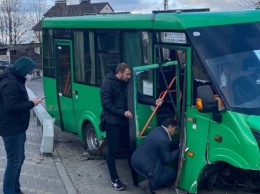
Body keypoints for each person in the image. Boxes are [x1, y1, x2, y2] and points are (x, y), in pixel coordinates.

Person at [100, 63, 163, 191]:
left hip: (124, 122)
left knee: (130, 149)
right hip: (112, 123)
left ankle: (137, 177)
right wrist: (123, 112)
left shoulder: (127, 83)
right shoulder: (107, 84)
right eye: (127, 74)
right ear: (120, 72)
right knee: (112, 151)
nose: (129, 77)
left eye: (130, 74)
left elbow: (137, 96)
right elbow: (107, 104)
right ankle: (115, 180)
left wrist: (154, 101)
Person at [0, 57, 42, 194]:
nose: (30, 73)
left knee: (19, 160)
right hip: (11, 129)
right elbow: (11, 107)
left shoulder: (13, 78)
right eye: (29, 71)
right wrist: (31, 103)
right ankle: (9, 191)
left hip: (16, 127)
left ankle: (15, 189)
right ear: (22, 69)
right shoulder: (10, 82)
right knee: (14, 162)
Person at [131, 118, 179, 194]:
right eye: (175, 128)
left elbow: (165, 147)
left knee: (169, 172)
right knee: (171, 174)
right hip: (146, 164)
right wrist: (179, 150)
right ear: (170, 126)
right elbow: (167, 159)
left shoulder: (157, 130)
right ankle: (149, 184)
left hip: (137, 159)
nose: (175, 131)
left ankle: (152, 182)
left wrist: (176, 144)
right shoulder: (163, 139)